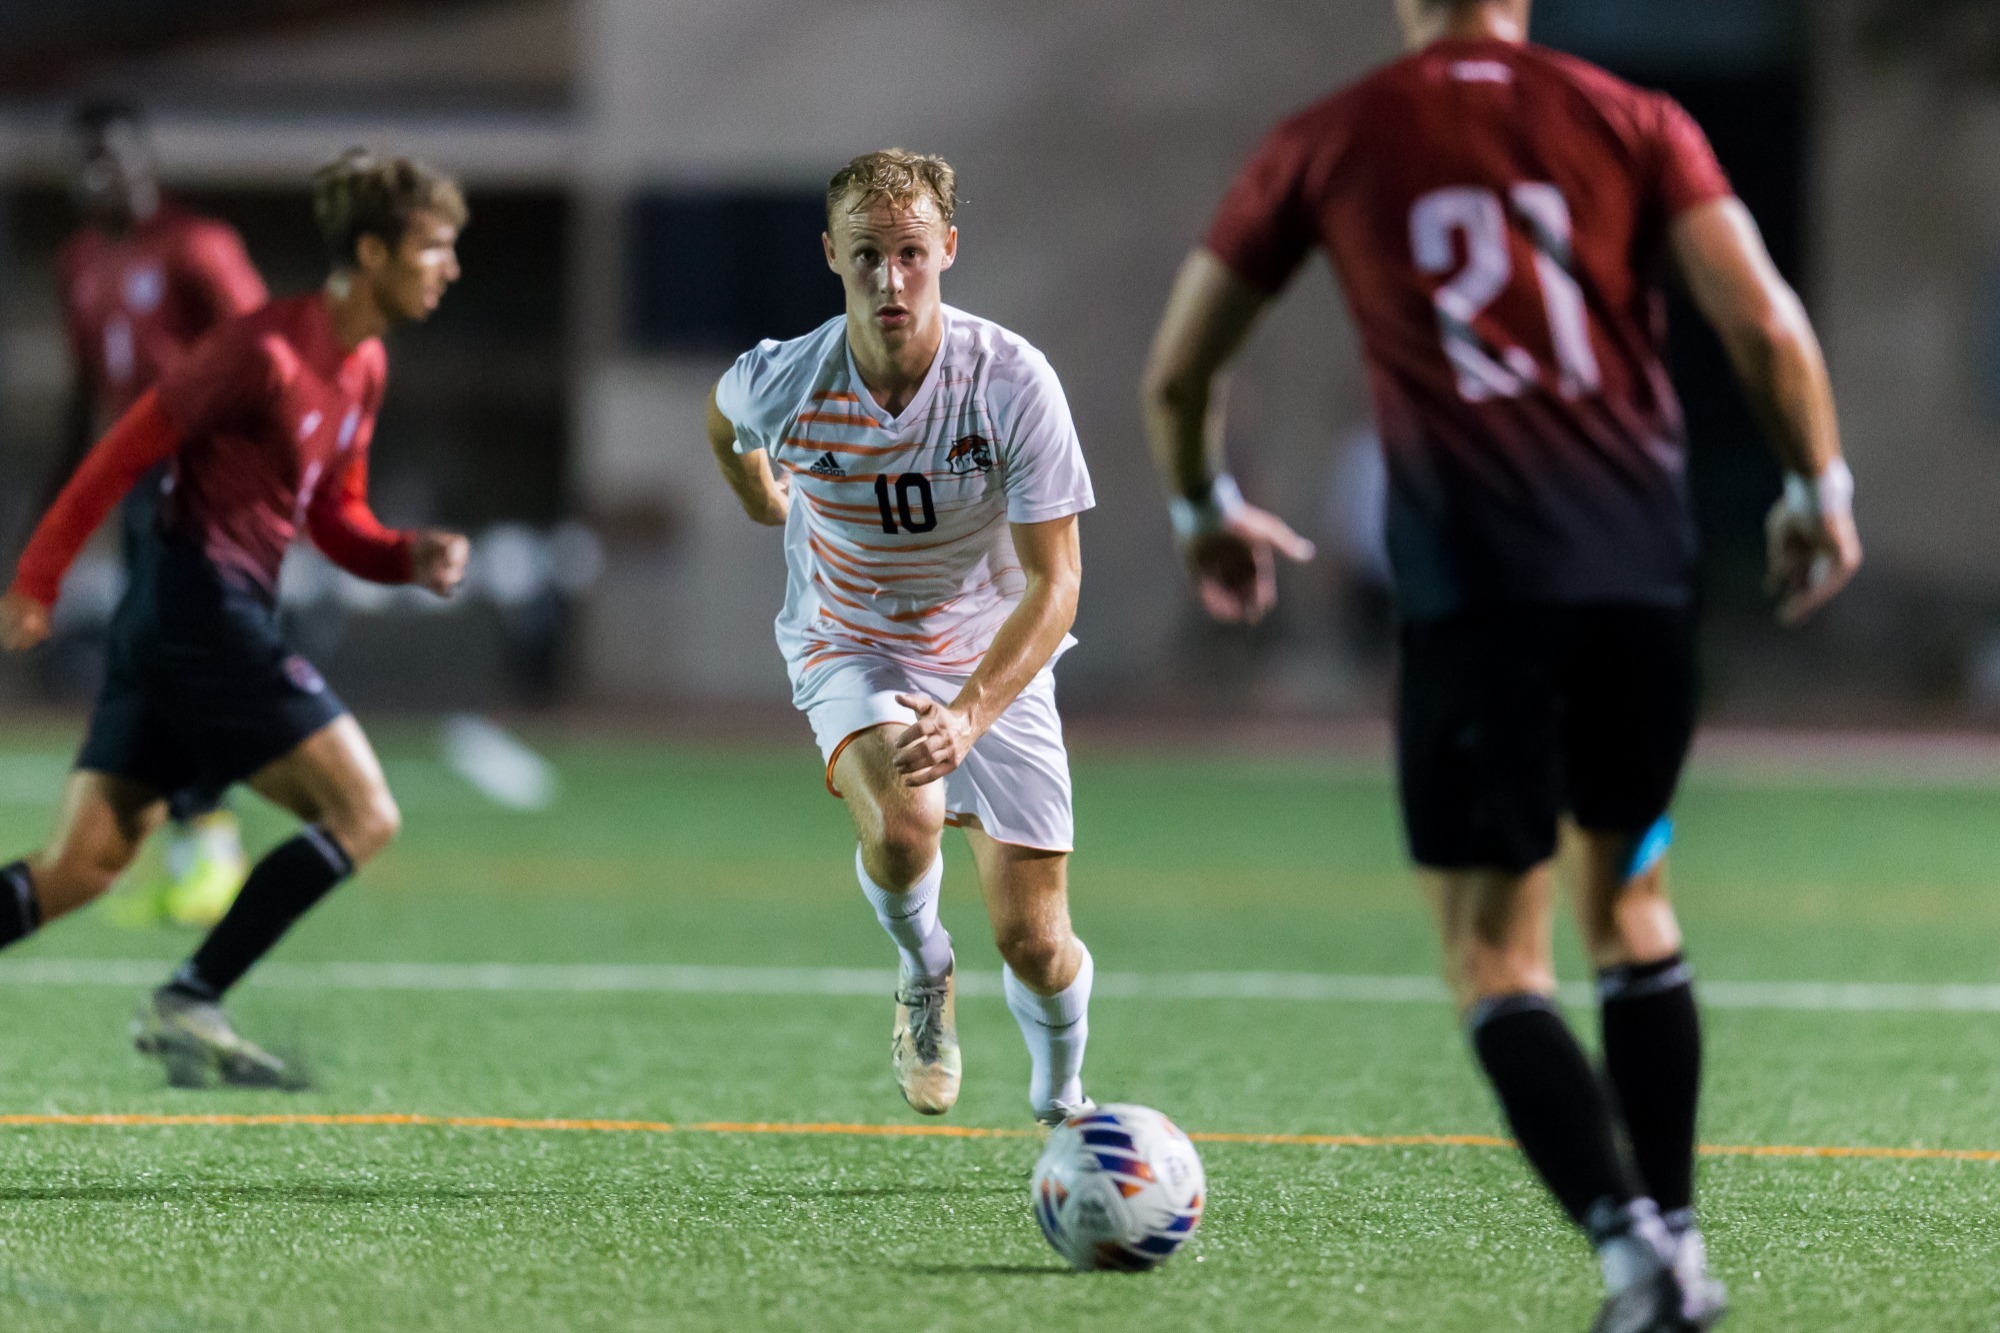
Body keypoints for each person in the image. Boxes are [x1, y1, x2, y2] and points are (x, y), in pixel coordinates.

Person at [1140, 2, 1861, 1329]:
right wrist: (1819, 482)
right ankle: (1680, 1240)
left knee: (1492, 955)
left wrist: (1201, 510)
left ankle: (1635, 1259)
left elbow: (1180, 372)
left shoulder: (1333, 136)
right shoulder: (1635, 118)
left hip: (1484, 589)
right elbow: (1763, 323)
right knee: (1633, 905)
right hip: (1644, 579)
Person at [0, 148, 473, 1089]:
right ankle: (191, 997)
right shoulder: (263, 351)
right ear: (373, 252)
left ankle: (189, 998)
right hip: (198, 608)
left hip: (184, 620)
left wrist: (403, 554)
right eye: (434, 248)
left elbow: (332, 512)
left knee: (82, 865)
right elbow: (120, 449)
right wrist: (39, 578)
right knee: (364, 812)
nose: (450, 268)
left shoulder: (364, 363)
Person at [706, 149, 1099, 1126]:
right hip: (848, 635)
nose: (891, 279)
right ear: (831, 254)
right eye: (868, 254)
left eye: (911, 253)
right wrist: (757, 487)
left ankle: (1063, 1108)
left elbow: (1058, 584)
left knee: (1036, 941)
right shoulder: (787, 380)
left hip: (989, 650)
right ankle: (924, 966)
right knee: (903, 818)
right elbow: (724, 423)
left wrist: (969, 713)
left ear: (947, 250)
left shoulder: (1010, 382)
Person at [52, 100, 271, 928]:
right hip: (145, 485)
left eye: (112, 155)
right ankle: (196, 851)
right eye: (86, 159)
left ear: (146, 160)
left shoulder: (196, 247)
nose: (98, 174)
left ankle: (209, 845)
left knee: (176, 657)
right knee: (150, 664)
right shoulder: (80, 262)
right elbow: (82, 400)